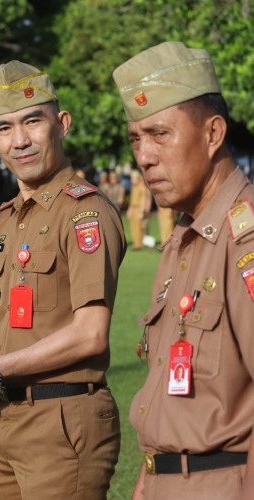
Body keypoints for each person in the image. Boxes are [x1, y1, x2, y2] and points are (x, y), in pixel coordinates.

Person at [0, 60, 126, 498]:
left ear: (62, 124)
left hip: (64, 419)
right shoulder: (7, 220)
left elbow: (90, 336)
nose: (20, 140)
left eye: (32, 121)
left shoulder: (84, 213)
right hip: (9, 418)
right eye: (4, 127)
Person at [113, 41, 254, 499]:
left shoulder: (244, 235)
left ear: (213, 134)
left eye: (159, 134)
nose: (144, 156)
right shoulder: (186, 237)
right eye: (136, 138)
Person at [128, 169, 151, 249]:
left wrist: (141, 211)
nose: (131, 180)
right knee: (133, 226)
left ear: (137, 178)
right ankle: (135, 242)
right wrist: (129, 210)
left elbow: (143, 199)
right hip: (133, 208)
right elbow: (131, 199)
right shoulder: (133, 187)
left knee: (138, 227)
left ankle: (138, 244)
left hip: (138, 208)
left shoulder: (142, 187)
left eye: (133, 178)